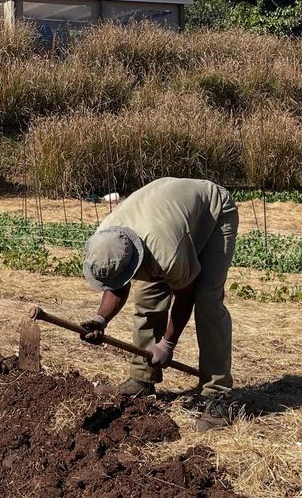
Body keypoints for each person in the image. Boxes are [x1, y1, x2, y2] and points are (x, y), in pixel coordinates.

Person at [79, 177, 239, 431]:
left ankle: (217, 394)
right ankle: (142, 379)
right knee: (147, 299)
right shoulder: (106, 236)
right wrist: (100, 320)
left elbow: (185, 296)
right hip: (169, 218)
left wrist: (167, 344)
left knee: (207, 302)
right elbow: (118, 283)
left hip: (213, 213)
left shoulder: (167, 254)